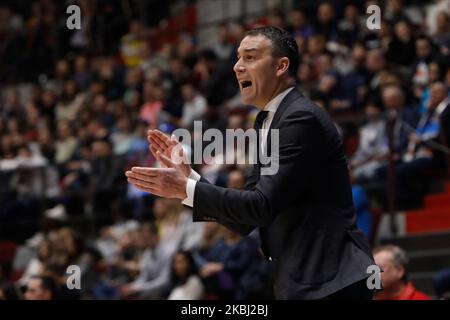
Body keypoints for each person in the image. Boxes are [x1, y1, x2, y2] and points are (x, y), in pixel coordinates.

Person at [126, 26, 375, 299]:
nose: (237, 67)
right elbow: (245, 221)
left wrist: (184, 189)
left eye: (250, 57)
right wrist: (190, 177)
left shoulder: (299, 118)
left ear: (281, 66)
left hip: (329, 277)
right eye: (237, 58)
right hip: (304, 279)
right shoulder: (267, 121)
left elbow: (260, 207)